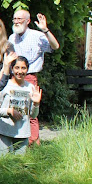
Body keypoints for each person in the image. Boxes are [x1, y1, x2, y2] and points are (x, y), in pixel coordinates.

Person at [9, 10, 59, 145]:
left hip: (30, 78)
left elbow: (55, 46)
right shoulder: (11, 38)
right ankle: (18, 142)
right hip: (14, 79)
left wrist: (46, 30)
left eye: (20, 18)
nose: (16, 21)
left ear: (28, 21)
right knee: (16, 111)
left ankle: (34, 143)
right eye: (14, 19)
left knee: (31, 112)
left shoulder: (37, 35)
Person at [0, 56, 43, 155]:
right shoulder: (5, 86)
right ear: (12, 69)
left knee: (19, 165)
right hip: (4, 132)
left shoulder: (30, 87)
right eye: (17, 67)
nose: (20, 71)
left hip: (22, 133)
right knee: (3, 163)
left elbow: (33, 115)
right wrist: (8, 111)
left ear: (27, 69)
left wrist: (36, 104)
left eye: (23, 68)